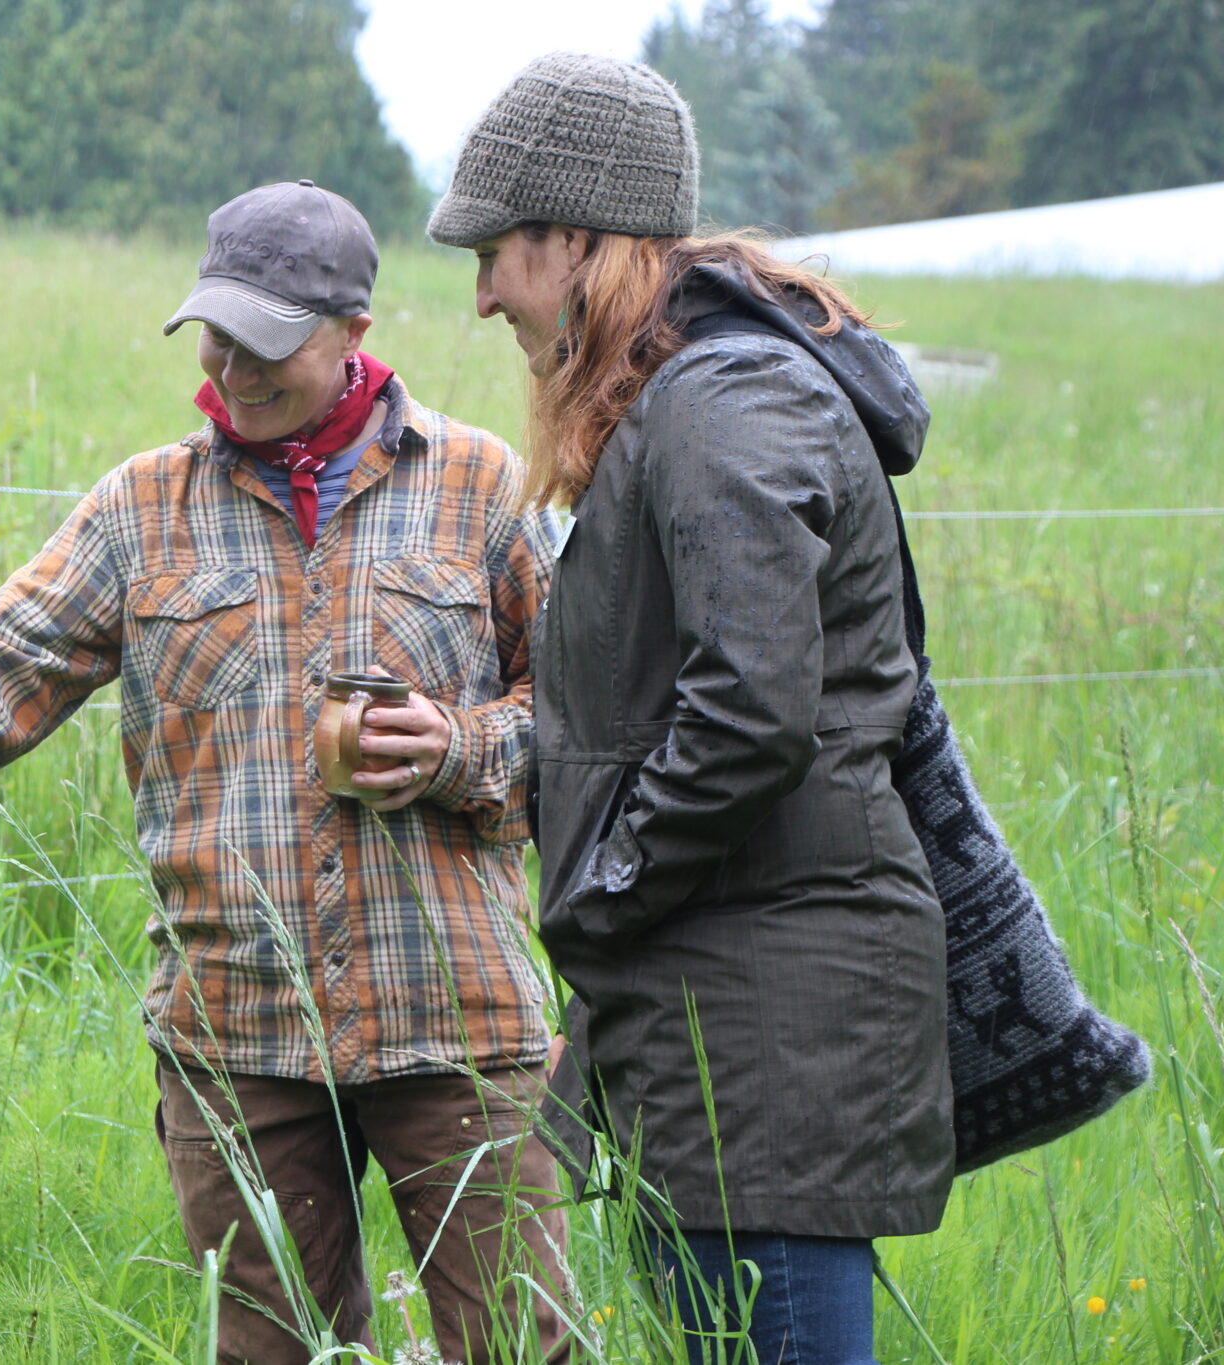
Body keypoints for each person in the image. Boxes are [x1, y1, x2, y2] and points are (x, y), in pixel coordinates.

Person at [0, 180, 571, 1364]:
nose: (233, 366)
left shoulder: (482, 487)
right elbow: (3, 661)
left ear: (353, 333)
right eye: (215, 334)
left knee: (521, 1347)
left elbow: (582, 715)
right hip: (236, 1033)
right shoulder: (142, 509)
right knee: (266, 1354)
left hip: (452, 1020)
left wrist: (456, 749)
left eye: (267, 342)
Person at [428, 53, 954, 1365]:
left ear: (583, 238)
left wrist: (605, 882)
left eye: (498, 251)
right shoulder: (685, 398)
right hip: (720, 1007)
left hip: (768, 1027)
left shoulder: (725, 402)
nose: (485, 292)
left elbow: (752, 708)